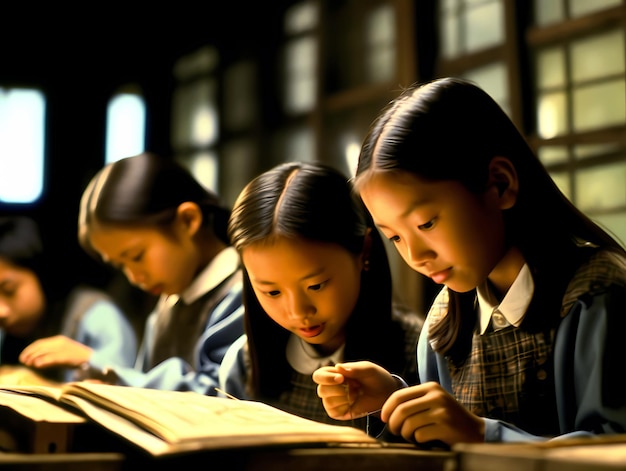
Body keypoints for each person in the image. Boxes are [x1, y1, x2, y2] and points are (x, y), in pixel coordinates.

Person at [312, 77, 626, 446]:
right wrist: (393, 401)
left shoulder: (597, 293)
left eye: (426, 223)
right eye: (395, 237)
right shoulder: (443, 324)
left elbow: (613, 447)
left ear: (500, 184)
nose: (416, 255)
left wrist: (481, 434)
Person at [218, 161, 422, 435]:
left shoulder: (422, 352)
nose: (298, 311)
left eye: (316, 285)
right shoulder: (244, 364)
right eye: (272, 292)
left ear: (364, 249)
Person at [77, 152, 244, 393]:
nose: (133, 276)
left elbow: (218, 393)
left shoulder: (243, 292)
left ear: (188, 220)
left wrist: (112, 372)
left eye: (136, 256)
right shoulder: (166, 305)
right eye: (120, 265)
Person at [0, 216, 137, 384]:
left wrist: (88, 358)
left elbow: (128, 379)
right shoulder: (8, 333)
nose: (2, 311)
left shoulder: (97, 314)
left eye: (9, 290)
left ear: (41, 274)